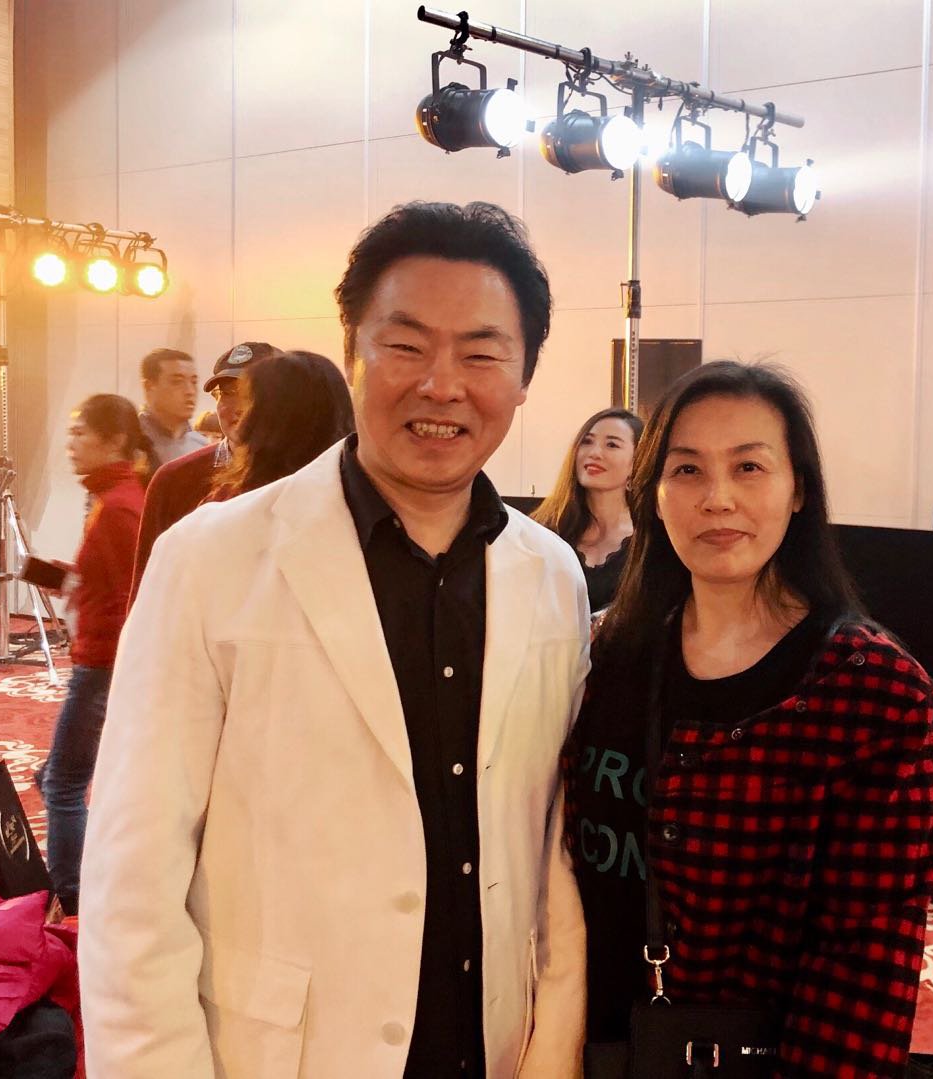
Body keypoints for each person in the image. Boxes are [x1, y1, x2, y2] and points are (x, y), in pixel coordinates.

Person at [80, 202, 589, 1079]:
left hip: (488, 1045)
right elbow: (133, 875)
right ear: (352, 350)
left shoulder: (551, 575)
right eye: (406, 345)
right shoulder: (211, 559)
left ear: (523, 378)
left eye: (480, 354)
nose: (441, 385)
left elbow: (547, 846)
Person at [565, 361, 933, 1077]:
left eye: (748, 467)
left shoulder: (869, 690)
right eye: (686, 470)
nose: (718, 499)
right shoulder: (604, 652)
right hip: (589, 1043)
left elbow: (866, 962)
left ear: (797, 488)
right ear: (652, 495)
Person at [40, 394, 146, 916]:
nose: (71, 443)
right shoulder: (112, 498)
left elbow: (134, 595)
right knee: (54, 775)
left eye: (81, 433)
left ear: (115, 440)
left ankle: (74, 899)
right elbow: (99, 581)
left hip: (102, 666)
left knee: (62, 785)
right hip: (101, 661)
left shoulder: (120, 506)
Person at [128, 341, 279, 604]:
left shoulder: (305, 475)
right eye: (227, 393)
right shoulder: (175, 479)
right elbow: (147, 588)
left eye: (251, 393)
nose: (237, 406)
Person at [202, 350, 355, 503]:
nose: (243, 409)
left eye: (253, 397)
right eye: (229, 392)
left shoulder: (353, 491)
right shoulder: (201, 479)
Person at [532, 408, 643, 612]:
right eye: (587, 441)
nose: (594, 453)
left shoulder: (650, 540)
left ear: (637, 462)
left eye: (612, 445)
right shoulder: (543, 531)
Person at [137, 347, 205, 476]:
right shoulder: (128, 442)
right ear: (149, 386)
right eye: (177, 382)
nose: (190, 391)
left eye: (194, 382)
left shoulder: (202, 447)